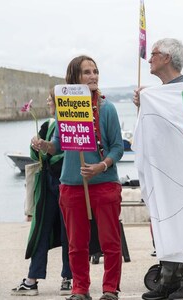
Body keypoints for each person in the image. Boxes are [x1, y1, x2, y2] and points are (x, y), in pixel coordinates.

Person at [32, 55, 124, 300]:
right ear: (74, 77)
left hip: (104, 183)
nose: (93, 76)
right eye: (87, 72)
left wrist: (101, 166)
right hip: (71, 185)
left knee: (110, 242)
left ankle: (110, 289)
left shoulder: (108, 109)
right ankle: (80, 289)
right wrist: (44, 145)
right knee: (76, 244)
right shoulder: (66, 110)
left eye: (95, 71)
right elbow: (59, 145)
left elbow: (118, 147)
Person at [133, 38, 183, 300]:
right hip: (165, 171)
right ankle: (170, 280)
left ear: (166, 58)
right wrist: (145, 106)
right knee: (166, 225)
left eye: (153, 54)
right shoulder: (161, 93)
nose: (149, 59)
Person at [11, 89, 72, 296]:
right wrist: (35, 146)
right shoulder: (48, 125)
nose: (48, 101)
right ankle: (36, 279)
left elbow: (64, 153)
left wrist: (45, 150)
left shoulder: (68, 124)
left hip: (63, 183)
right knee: (43, 231)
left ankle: (65, 278)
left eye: (51, 99)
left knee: (65, 233)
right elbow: (38, 156)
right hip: (49, 185)